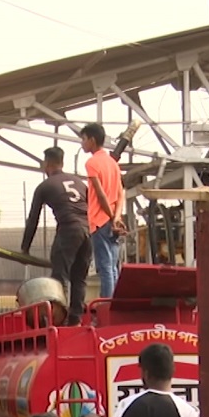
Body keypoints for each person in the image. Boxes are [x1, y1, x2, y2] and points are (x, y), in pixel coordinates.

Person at [21, 146, 92, 325]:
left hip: (68, 230)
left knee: (60, 277)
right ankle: (75, 319)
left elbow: (33, 219)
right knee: (79, 278)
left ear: (47, 164)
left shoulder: (45, 186)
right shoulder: (79, 182)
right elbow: (92, 208)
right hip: (88, 230)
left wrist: (25, 248)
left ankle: (60, 320)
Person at [80, 123, 126, 298]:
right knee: (113, 266)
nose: (82, 143)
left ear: (92, 140)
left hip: (100, 221)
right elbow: (120, 193)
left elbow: (100, 195)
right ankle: (113, 301)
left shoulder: (92, 163)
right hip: (113, 221)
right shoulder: (113, 163)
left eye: (84, 139)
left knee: (105, 266)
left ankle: (107, 303)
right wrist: (116, 217)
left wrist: (110, 217)